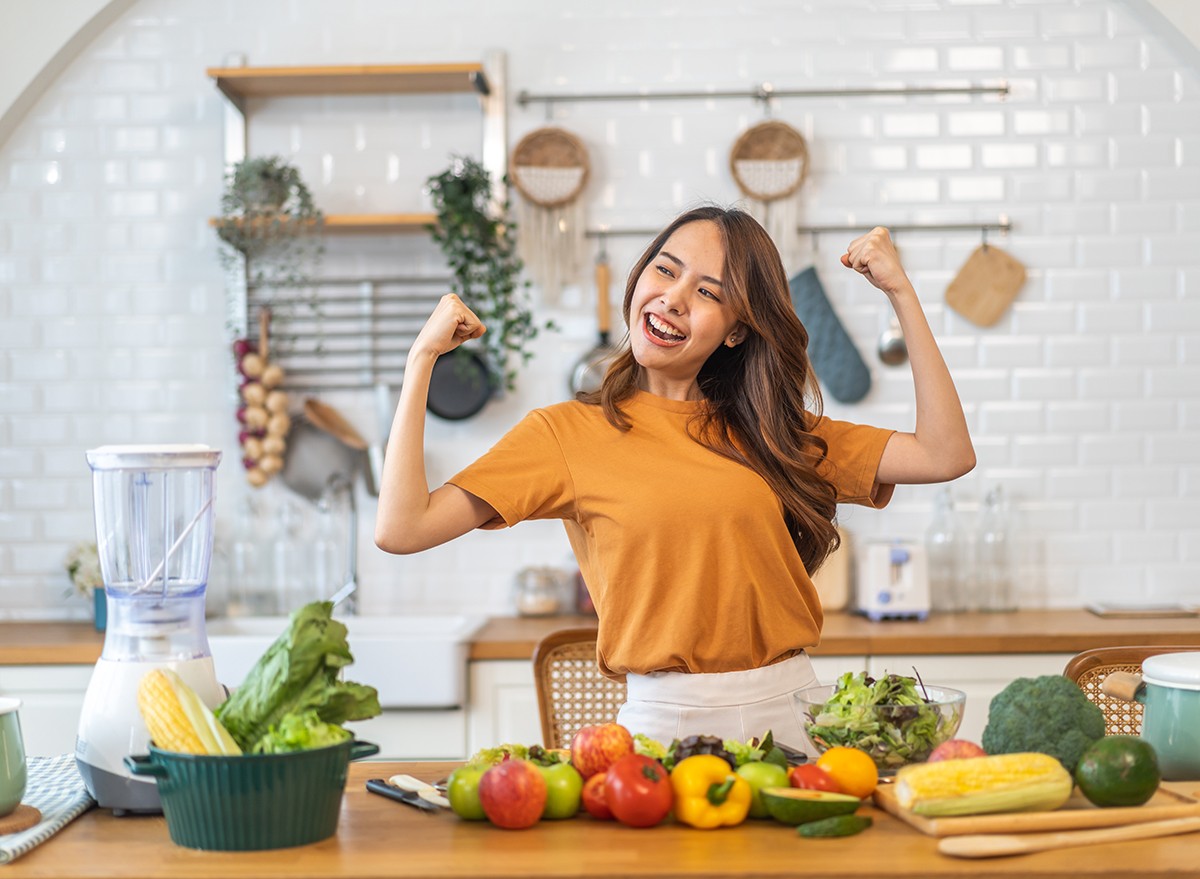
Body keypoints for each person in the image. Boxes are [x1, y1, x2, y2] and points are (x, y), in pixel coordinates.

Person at [376, 205, 974, 750]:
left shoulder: (775, 430)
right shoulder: (563, 434)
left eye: (708, 291)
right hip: (662, 727)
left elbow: (945, 455)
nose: (674, 297)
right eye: (665, 271)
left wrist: (900, 291)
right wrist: (420, 360)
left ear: (736, 330)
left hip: (792, 718)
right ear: (638, 280)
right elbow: (403, 528)